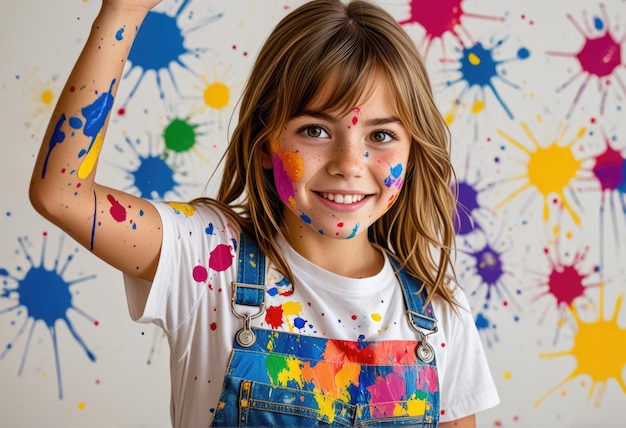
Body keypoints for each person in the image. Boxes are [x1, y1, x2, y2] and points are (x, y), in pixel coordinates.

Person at [29, 0, 500, 426]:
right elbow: (61, 194)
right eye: (315, 130)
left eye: (380, 136)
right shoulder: (208, 260)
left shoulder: (438, 309)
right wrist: (123, 12)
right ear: (262, 143)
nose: (348, 165)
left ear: (413, 150)